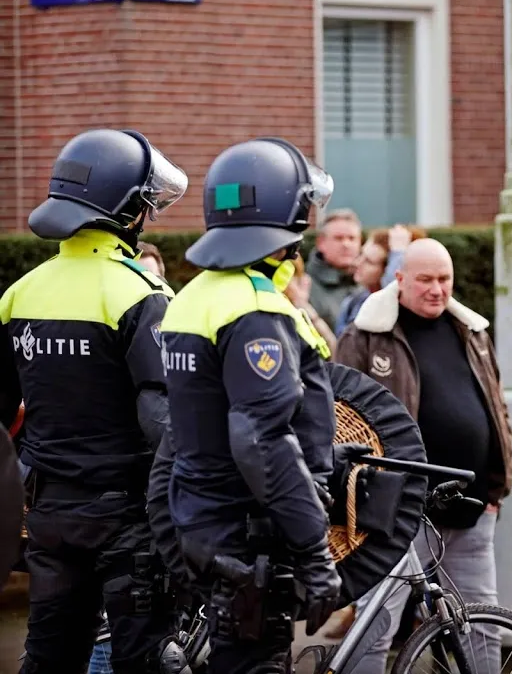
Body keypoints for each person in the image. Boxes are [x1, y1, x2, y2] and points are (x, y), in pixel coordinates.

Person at [160, 137, 349, 672]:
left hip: (206, 526)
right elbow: (260, 438)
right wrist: (314, 554)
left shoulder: (194, 296)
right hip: (250, 540)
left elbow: (189, 430)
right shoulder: (255, 310)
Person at [0, 129, 185, 672]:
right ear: (127, 210)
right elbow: (164, 420)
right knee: (143, 660)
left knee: (50, 656)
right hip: (128, 519)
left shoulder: (21, 292)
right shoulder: (141, 294)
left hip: (51, 517)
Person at [335, 237, 512, 674]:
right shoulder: (365, 335)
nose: (437, 289)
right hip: (393, 511)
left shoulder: (471, 331)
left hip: (470, 506)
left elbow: (494, 405)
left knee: (479, 624)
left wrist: (496, 486)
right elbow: (337, 416)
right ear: (399, 280)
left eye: (445, 279)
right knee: (376, 623)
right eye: (426, 280)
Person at [307, 209, 363, 328]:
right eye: (338, 238)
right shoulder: (305, 286)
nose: (346, 244)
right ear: (321, 242)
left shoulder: (369, 283)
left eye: (352, 238)